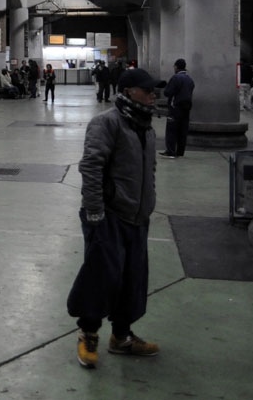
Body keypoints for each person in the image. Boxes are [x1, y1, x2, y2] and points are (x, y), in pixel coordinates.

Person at [67, 68, 166, 369]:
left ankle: (121, 337)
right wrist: (95, 210)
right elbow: (91, 167)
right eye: (147, 90)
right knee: (101, 277)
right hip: (108, 214)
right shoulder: (107, 123)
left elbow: (149, 169)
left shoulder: (146, 127)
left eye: (154, 91)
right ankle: (88, 334)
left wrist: (148, 202)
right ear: (127, 92)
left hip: (137, 216)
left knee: (133, 279)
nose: (153, 95)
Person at [162, 58, 195, 158]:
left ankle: (171, 151)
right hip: (186, 108)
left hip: (175, 108)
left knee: (171, 130)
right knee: (182, 130)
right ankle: (180, 152)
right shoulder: (190, 80)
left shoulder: (176, 78)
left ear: (176, 67)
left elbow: (167, 92)